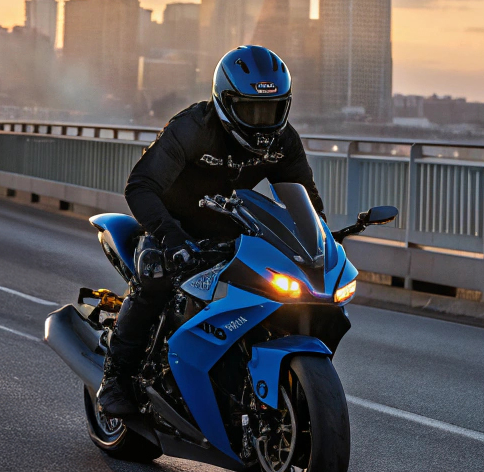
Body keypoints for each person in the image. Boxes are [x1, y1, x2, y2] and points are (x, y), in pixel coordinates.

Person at [95, 44, 324, 417]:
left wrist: (319, 243)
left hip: (232, 232)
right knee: (154, 277)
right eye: (251, 109)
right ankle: (115, 379)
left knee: (274, 290)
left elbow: (307, 201)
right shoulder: (192, 129)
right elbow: (141, 185)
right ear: (225, 101)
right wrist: (171, 237)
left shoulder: (283, 142)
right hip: (172, 227)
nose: (262, 122)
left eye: (271, 109)